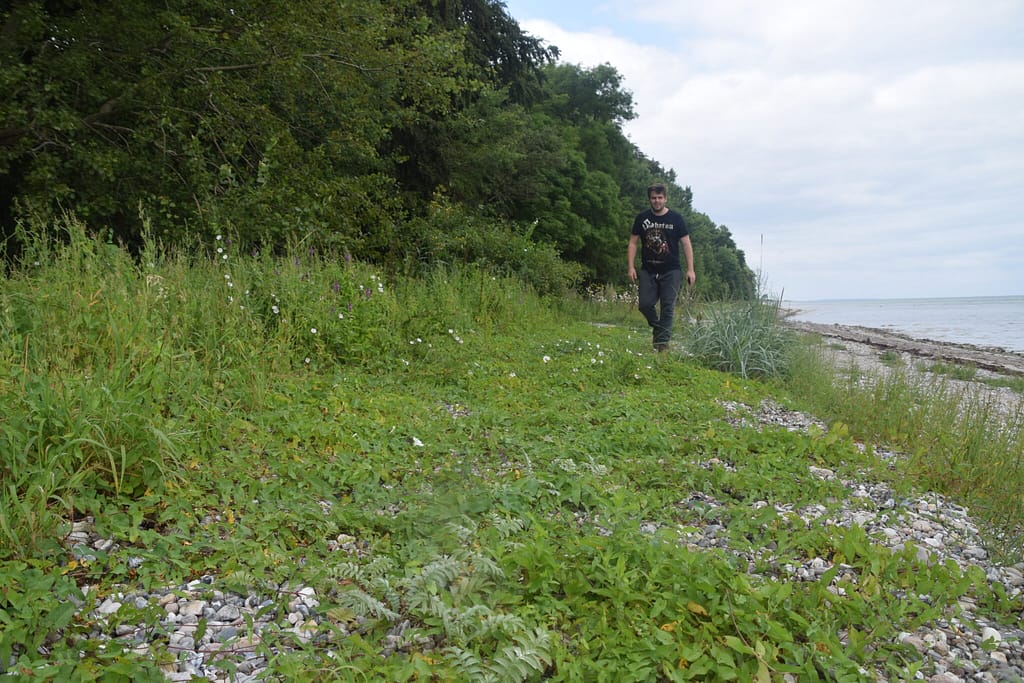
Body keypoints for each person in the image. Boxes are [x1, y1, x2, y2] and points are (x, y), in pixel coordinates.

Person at [627, 183, 696, 352]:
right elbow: (633, 243)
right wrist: (631, 267)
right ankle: (659, 328)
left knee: (668, 306)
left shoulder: (676, 219)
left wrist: (690, 269)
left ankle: (662, 345)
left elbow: (686, 244)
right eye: (653, 198)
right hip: (648, 269)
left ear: (665, 198)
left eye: (659, 198)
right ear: (649, 199)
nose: (656, 201)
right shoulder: (642, 218)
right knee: (644, 304)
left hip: (671, 270)